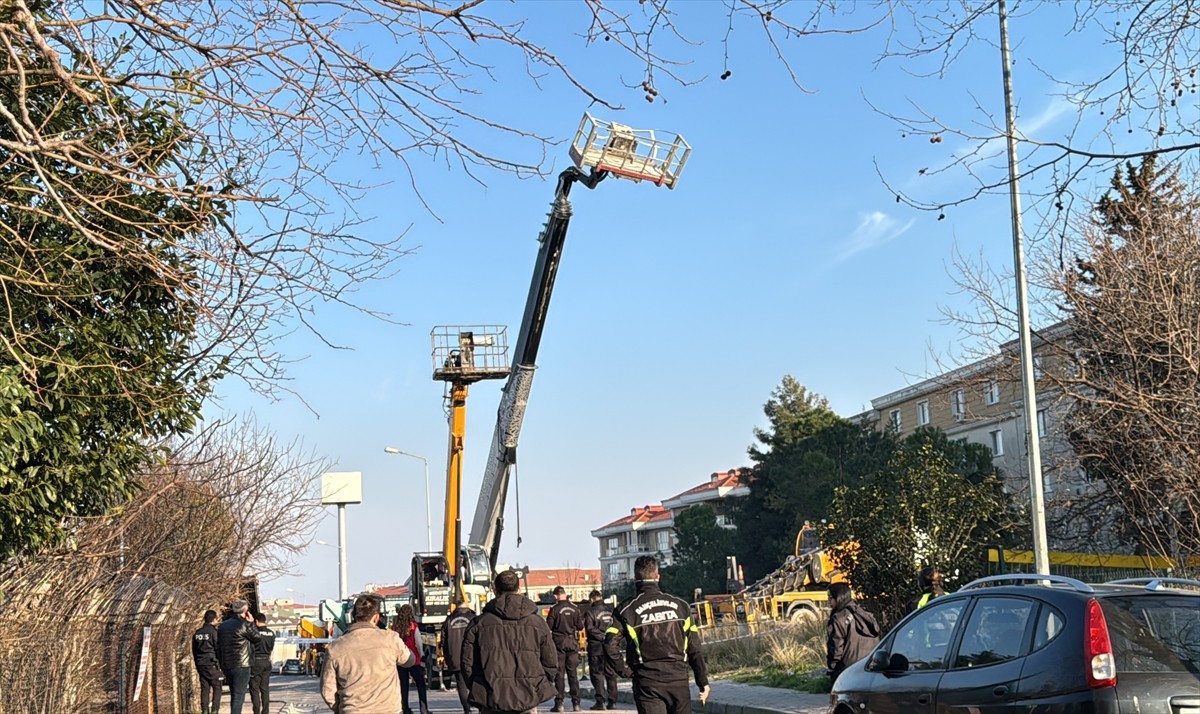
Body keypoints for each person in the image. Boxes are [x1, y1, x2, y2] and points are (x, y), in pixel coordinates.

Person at [606, 556, 709, 714]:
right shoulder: (682, 607)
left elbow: (609, 644)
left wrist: (624, 671)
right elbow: (694, 647)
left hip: (647, 682)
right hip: (678, 681)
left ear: (636, 578)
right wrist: (702, 681)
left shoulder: (625, 609)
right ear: (658, 576)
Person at [461, 569, 557, 714]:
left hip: (491, 697)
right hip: (528, 696)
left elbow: (467, 664)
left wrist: (478, 687)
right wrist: (538, 686)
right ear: (519, 589)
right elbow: (550, 661)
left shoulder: (478, 624)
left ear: (494, 590)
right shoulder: (538, 623)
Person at [321, 594, 415, 714]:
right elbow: (409, 660)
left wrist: (341, 707)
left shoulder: (335, 648)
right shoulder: (390, 639)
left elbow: (327, 690)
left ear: (353, 616)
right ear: (376, 618)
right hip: (388, 710)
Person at [825, 582, 880, 682]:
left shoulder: (838, 618)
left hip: (847, 671)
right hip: (869, 668)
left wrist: (833, 668)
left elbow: (836, 647)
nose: (828, 601)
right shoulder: (866, 615)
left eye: (830, 597)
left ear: (839, 597)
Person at [217, 599, 262, 714]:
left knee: (234, 694)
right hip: (242, 664)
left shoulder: (223, 625)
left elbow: (218, 646)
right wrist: (251, 623)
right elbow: (257, 638)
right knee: (239, 696)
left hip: (227, 664)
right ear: (246, 610)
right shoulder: (244, 624)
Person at [546, 586, 584, 712]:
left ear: (556, 595)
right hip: (572, 642)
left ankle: (559, 703)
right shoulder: (575, 608)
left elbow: (549, 626)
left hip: (559, 643)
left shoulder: (554, 609)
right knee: (573, 674)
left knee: (559, 674)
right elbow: (580, 626)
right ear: (565, 594)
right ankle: (576, 703)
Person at [583, 590, 618, 711]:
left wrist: (601, 636)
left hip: (596, 647)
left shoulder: (590, 612)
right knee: (610, 674)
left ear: (592, 599)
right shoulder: (611, 611)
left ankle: (600, 701)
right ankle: (613, 701)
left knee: (597, 674)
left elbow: (590, 628)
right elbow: (617, 626)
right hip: (610, 646)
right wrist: (609, 637)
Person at [393, 603, 431, 714]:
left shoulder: (395, 627)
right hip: (414, 660)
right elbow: (418, 643)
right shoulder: (413, 626)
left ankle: (405, 709)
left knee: (403, 687)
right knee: (421, 685)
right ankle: (423, 709)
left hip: (400, 661)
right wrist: (421, 654)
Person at [443, 599, 478, 714]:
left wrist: (447, 658)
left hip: (456, 657)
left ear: (455, 607)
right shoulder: (474, 618)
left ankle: (467, 710)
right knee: (476, 682)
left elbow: (444, 642)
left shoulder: (449, 620)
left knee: (461, 684)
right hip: (473, 657)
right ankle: (479, 707)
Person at [191, 609, 223, 714]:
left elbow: (194, 650)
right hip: (212, 663)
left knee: (205, 688)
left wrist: (197, 664)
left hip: (201, 664)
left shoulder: (197, 633)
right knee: (217, 686)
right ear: (214, 620)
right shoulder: (214, 632)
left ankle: (204, 710)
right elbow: (218, 648)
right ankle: (214, 710)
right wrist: (220, 664)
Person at [249, 611, 276, 714]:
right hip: (267, 661)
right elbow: (271, 647)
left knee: (254, 688)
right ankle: (265, 711)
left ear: (256, 621)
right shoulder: (271, 633)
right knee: (265, 688)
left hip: (256, 662)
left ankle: (256, 711)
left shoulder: (254, 632)